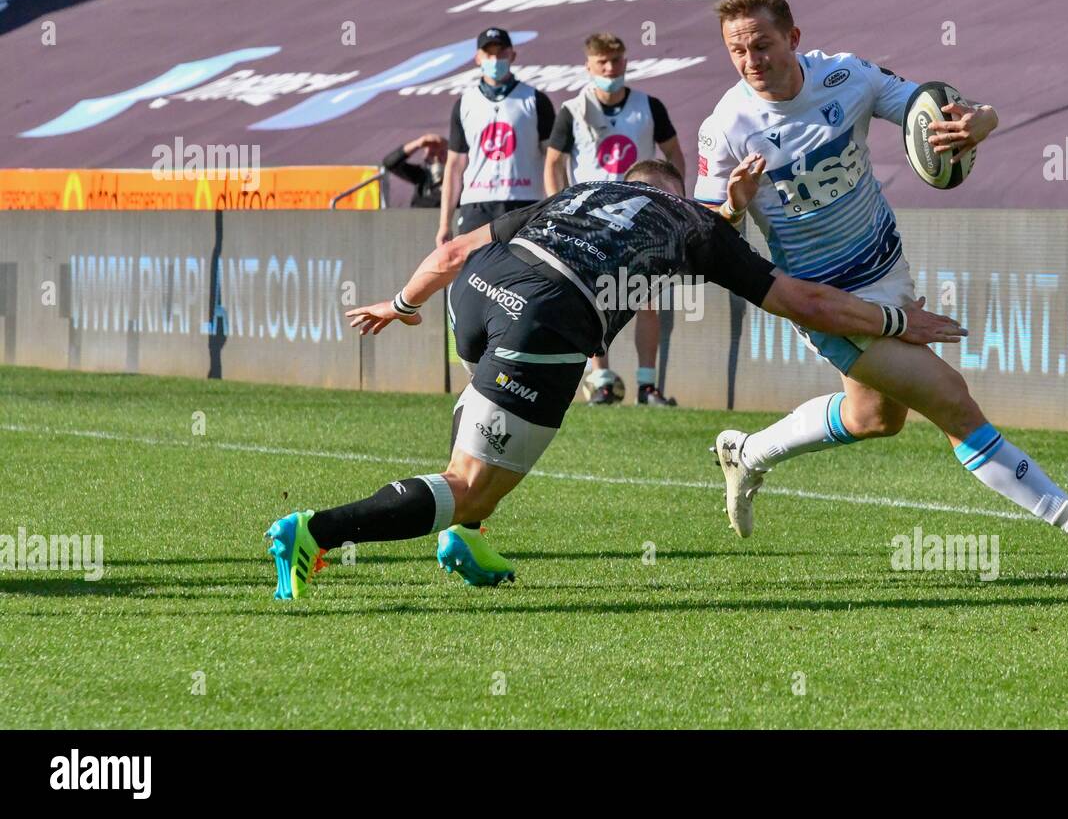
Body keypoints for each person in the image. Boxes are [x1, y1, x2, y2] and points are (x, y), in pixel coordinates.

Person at [264, 159, 967, 598]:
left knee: (488, 422)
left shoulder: (580, 194)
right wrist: (897, 322)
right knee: (472, 476)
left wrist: (399, 305)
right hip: (547, 316)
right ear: (684, 193)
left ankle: (467, 539)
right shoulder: (695, 223)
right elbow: (804, 301)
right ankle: (314, 532)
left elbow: (451, 249)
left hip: (476, 293)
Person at [693, 0, 1068, 559]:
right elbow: (707, 234)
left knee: (874, 416)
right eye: (738, 49)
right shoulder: (725, 126)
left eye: (762, 44)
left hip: (885, 265)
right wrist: (732, 205)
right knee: (950, 398)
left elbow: (937, 107)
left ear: (794, 39)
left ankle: (748, 453)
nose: (752, 60)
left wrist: (982, 122)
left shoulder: (847, 76)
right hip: (823, 301)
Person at [544, 32, 684, 407]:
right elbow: (554, 161)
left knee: (646, 299)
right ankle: (601, 379)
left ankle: (647, 385)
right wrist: (557, 206)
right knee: (594, 299)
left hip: (640, 215)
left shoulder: (648, 106)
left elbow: (673, 153)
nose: (610, 69)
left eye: (616, 61)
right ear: (589, 66)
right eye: (602, 63)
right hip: (591, 218)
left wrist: (674, 201)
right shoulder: (573, 110)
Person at [437, 27, 554, 245]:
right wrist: (445, 223)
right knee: (473, 271)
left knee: (525, 270)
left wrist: (555, 204)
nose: (495, 59)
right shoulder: (465, 103)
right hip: (478, 203)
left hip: (525, 200)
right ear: (478, 58)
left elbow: (552, 158)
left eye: (501, 53)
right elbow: (454, 166)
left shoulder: (534, 100)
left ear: (512, 55)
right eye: (489, 54)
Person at [382, 132, 446, 208]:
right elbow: (390, 163)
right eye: (431, 154)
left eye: (441, 154)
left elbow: (431, 202)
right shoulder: (423, 176)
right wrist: (418, 143)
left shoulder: (459, 179)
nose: (437, 159)